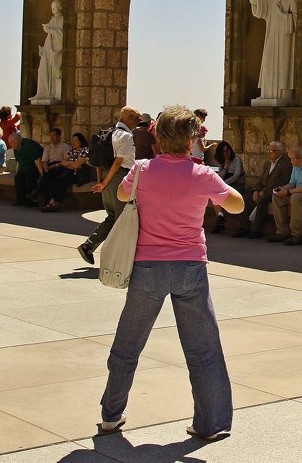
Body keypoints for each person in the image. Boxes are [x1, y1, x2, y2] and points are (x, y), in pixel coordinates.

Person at [98, 105, 243, 440]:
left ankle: (111, 414)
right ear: (192, 138)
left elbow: (122, 194)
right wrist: (212, 194)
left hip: (148, 267)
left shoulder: (143, 169)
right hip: (191, 265)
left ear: (158, 138)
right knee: (203, 349)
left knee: (128, 344)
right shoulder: (203, 174)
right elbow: (236, 204)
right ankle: (210, 423)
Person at [77, 106, 139, 265]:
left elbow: (97, 160)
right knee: (123, 219)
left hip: (107, 176)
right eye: (137, 119)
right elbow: (119, 162)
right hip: (119, 178)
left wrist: (101, 181)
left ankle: (88, 246)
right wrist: (104, 182)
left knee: (113, 216)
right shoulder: (126, 136)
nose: (138, 123)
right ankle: (117, 258)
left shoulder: (107, 134)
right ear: (129, 118)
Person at [248, 0, 297, 102]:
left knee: (283, 62)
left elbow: (297, 19)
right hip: (271, 34)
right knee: (268, 61)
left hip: (285, 36)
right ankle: (267, 93)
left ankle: (283, 94)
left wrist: (282, 15)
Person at [243, 141, 292, 239]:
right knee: (246, 198)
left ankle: (257, 230)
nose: (270, 152)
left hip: (273, 192)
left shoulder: (286, 164)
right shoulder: (267, 164)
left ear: (280, 151)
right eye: (268, 150)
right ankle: (244, 228)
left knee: (262, 200)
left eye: (272, 150)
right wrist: (256, 191)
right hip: (263, 190)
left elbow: (282, 182)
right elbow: (261, 179)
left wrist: (265, 192)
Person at [38, 132, 91, 212]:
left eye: (75, 141)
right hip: (70, 172)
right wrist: (70, 164)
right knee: (53, 179)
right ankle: (51, 201)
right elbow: (63, 162)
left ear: (81, 141)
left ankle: (57, 202)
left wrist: (69, 164)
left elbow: (77, 165)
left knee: (63, 182)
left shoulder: (85, 151)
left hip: (79, 175)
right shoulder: (72, 151)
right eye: (72, 140)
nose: (73, 142)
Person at [210, 141, 244, 234]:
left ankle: (220, 220)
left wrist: (223, 185)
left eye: (228, 150)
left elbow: (236, 176)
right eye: (224, 151)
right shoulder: (222, 162)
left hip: (237, 186)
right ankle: (220, 217)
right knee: (214, 194)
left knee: (220, 192)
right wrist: (225, 166)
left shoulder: (237, 159)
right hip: (226, 186)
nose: (227, 153)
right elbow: (219, 177)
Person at [8, 132, 45, 206]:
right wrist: (18, 172)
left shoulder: (28, 145)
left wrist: (41, 173)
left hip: (37, 165)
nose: (11, 144)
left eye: (13, 142)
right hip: (26, 167)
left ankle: (33, 200)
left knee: (29, 178)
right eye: (10, 143)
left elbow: (37, 159)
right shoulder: (16, 148)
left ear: (19, 140)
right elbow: (19, 161)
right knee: (18, 177)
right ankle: (21, 200)